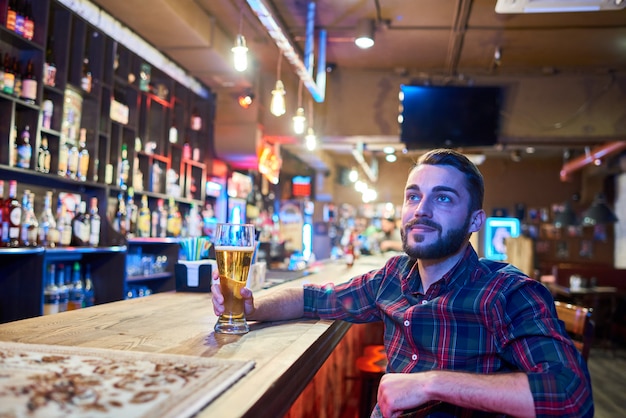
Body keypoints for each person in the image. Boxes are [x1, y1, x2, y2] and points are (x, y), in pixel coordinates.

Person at [212, 148, 593, 417]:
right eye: (414, 196)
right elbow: (313, 297)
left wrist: (431, 384)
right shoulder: (393, 276)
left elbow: (571, 396)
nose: (421, 210)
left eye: (443, 198)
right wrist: (252, 306)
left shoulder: (508, 293)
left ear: (476, 221)